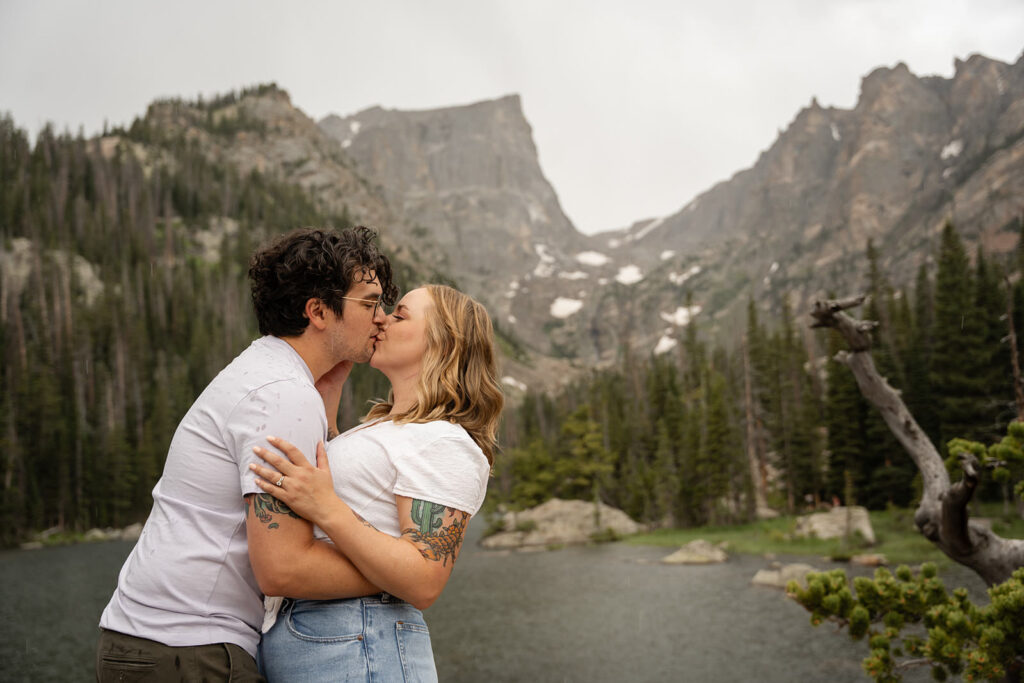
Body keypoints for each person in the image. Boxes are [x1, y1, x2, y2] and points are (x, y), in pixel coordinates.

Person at [96, 226, 398, 681]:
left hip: (162, 644)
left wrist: (329, 402)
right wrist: (403, 574)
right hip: (188, 651)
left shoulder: (269, 373)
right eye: (370, 302)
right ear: (317, 310)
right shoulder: (283, 395)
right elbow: (284, 569)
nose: (383, 317)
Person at [247, 284, 504, 682]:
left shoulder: (445, 441)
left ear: (444, 343)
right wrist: (327, 403)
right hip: (330, 639)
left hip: (361, 642)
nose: (381, 318)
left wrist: (328, 509)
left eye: (400, 315)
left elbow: (424, 580)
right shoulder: (390, 429)